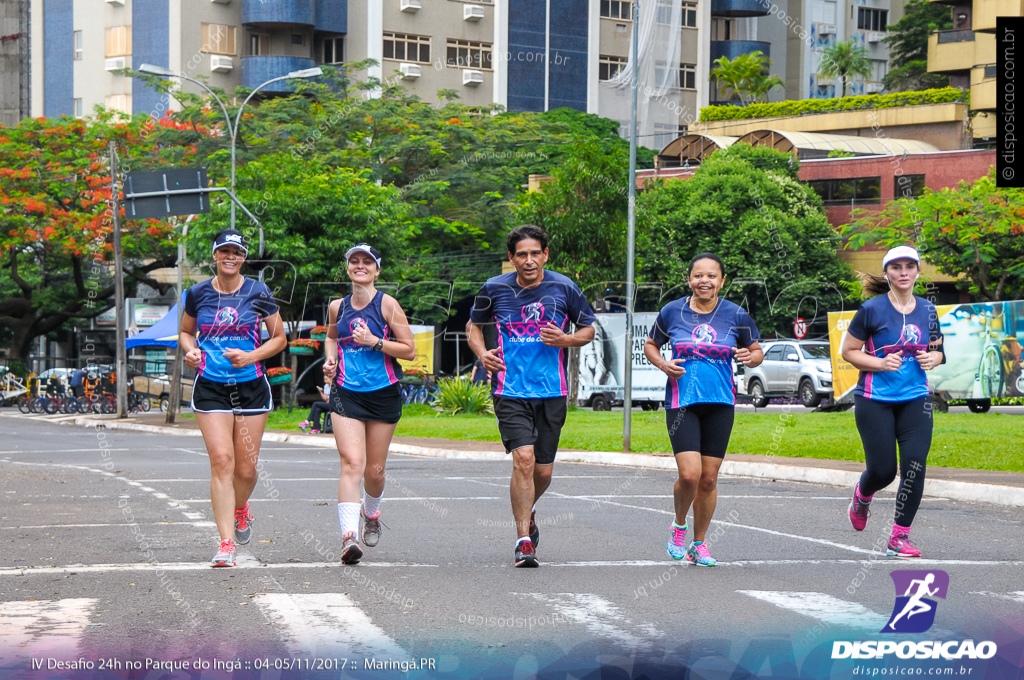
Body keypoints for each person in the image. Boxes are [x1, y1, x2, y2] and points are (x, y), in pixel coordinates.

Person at [467, 224, 596, 568]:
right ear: (511, 258)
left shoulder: (564, 287)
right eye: (521, 254)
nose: (529, 260)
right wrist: (482, 353)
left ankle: (529, 508)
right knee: (523, 459)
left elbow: (588, 329)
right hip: (509, 389)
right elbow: (473, 326)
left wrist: (566, 340)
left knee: (542, 472)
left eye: (535, 253)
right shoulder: (494, 288)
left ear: (545, 255)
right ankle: (524, 539)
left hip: (552, 391)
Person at [644, 253, 763, 567]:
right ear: (689, 280)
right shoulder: (672, 311)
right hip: (682, 403)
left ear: (722, 281)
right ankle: (679, 525)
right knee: (689, 475)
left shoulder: (736, 315)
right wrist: (662, 363)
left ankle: (699, 544)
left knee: (708, 479)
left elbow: (756, 350)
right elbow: (650, 344)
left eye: (712, 276)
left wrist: (753, 359)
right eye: (698, 275)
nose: (704, 281)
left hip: (721, 404)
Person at [179, 229, 287, 567]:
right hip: (210, 385)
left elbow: (280, 338)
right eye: (224, 251)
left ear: (243, 258)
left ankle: (241, 508)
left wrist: (252, 356)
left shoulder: (259, 291)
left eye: (237, 252)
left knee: (246, 468)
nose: (230, 256)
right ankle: (226, 544)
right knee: (222, 461)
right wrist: (191, 352)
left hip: (251, 385)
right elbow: (185, 332)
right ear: (214, 255)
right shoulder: (197, 293)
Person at [841, 246, 944, 558]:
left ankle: (900, 536)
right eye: (896, 267)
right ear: (886, 273)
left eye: (909, 267)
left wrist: (933, 357)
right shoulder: (871, 309)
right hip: (875, 399)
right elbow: (849, 351)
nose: (903, 272)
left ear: (917, 272)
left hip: (915, 399)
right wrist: (880, 363)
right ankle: (863, 494)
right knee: (883, 470)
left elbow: (940, 350)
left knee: (914, 465)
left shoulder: (928, 309)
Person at [323, 244, 416, 565]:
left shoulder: (388, 305)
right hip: (346, 392)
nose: (360, 266)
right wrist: (331, 360)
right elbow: (332, 337)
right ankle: (349, 537)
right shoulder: (337, 306)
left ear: (377, 270)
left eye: (367, 262)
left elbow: (409, 350)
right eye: (354, 261)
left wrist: (374, 342)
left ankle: (371, 512)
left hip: (383, 392)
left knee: (374, 471)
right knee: (352, 463)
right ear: (347, 268)